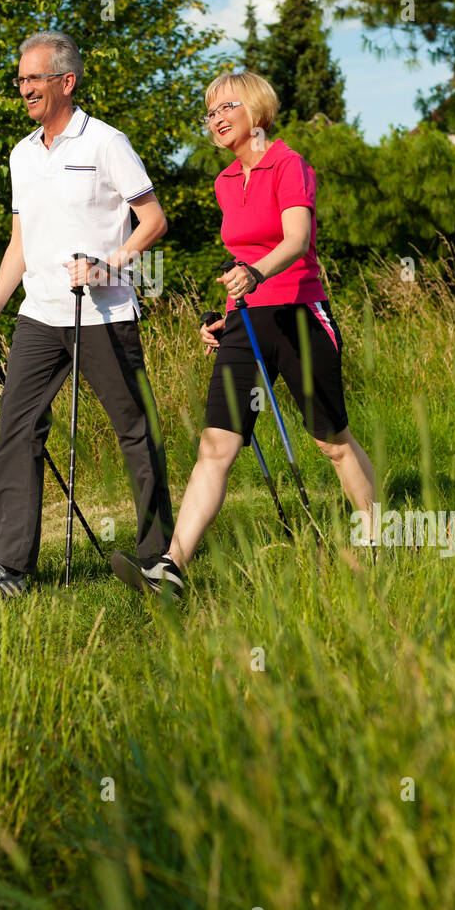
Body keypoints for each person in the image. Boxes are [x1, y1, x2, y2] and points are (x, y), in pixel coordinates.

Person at [110, 70, 376, 600]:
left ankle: (374, 539)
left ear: (255, 108)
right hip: (247, 317)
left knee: (331, 441)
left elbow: (297, 240)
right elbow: (242, 254)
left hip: (300, 312)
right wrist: (225, 314)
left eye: (224, 107)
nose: (214, 120)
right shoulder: (226, 181)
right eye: (208, 113)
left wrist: (257, 274)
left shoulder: (289, 164)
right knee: (215, 447)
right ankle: (171, 568)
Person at [0, 30, 176, 597]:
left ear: (66, 82)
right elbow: (21, 240)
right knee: (16, 431)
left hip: (104, 313)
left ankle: (158, 561)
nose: (24, 88)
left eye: (34, 78)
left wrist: (108, 266)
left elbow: (154, 221)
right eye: (19, 79)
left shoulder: (106, 144)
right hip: (40, 315)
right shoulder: (22, 154)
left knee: (135, 431)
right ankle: (9, 569)